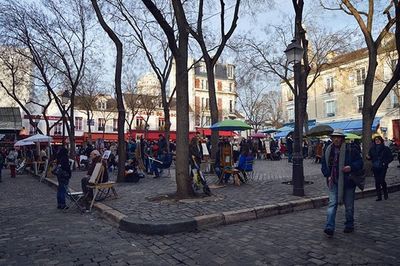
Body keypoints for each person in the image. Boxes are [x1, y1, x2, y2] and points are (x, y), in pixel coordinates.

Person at [321, 129, 363, 237]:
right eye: (334, 137)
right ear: (331, 138)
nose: (336, 139)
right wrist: (328, 175)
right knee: (332, 204)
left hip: (348, 181)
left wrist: (351, 167)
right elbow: (324, 165)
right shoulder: (328, 149)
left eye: (338, 137)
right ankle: (329, 227)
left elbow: (360, 162)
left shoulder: (351, 149)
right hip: (334, 181)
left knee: (349, 206)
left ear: (342, 138)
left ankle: (349, 224)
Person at [367, 135, 393, 201]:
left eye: (378, 140)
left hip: (383, 167)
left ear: (381, 141)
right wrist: (368, 157)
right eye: (376, 140)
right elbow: (370, 157)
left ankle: (385, 192)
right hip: (375, 167)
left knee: (382, 180)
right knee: (377, 181)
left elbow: (391, 157)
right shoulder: (372, 149)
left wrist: (385, 162)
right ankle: (379, 196)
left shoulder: (385, 148)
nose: (377, 141)